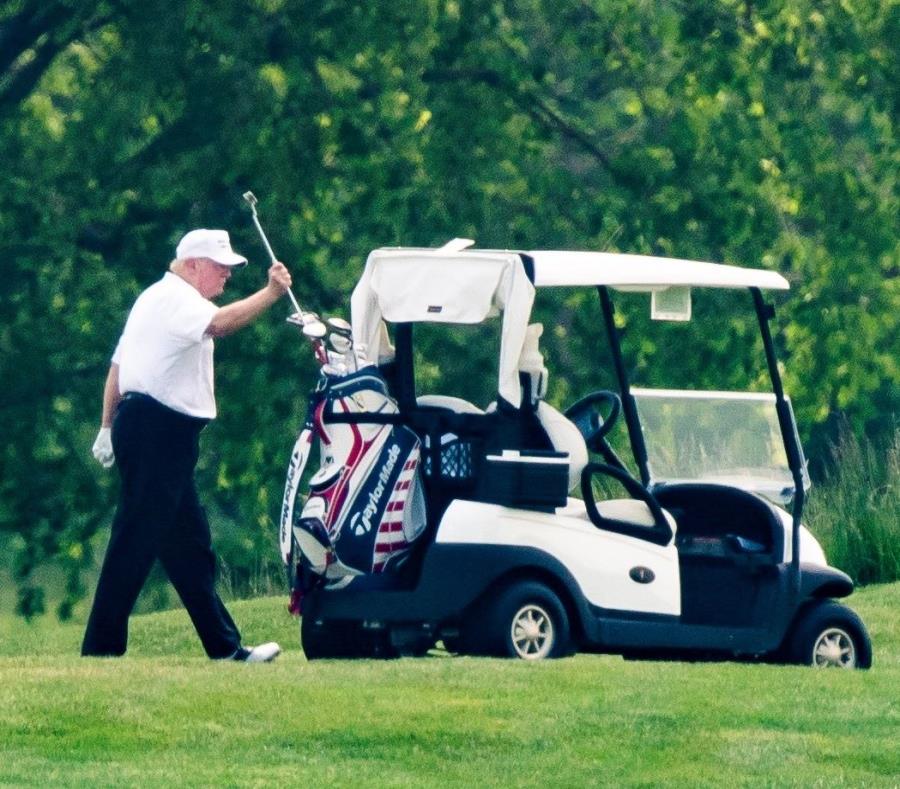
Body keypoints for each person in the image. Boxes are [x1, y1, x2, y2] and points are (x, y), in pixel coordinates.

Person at [84, 228, 291, 662]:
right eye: (221, 267)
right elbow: (221, 324)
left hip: (158, 432)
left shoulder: (154, 297)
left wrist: (107, 425)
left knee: (189, 547)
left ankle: (225, 648)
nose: (227, 275)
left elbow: (119, 366)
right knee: (136, 538)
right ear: (194, 265)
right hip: (156, 430)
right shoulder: (178, 300)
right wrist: (272, 293)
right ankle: (100, 651)